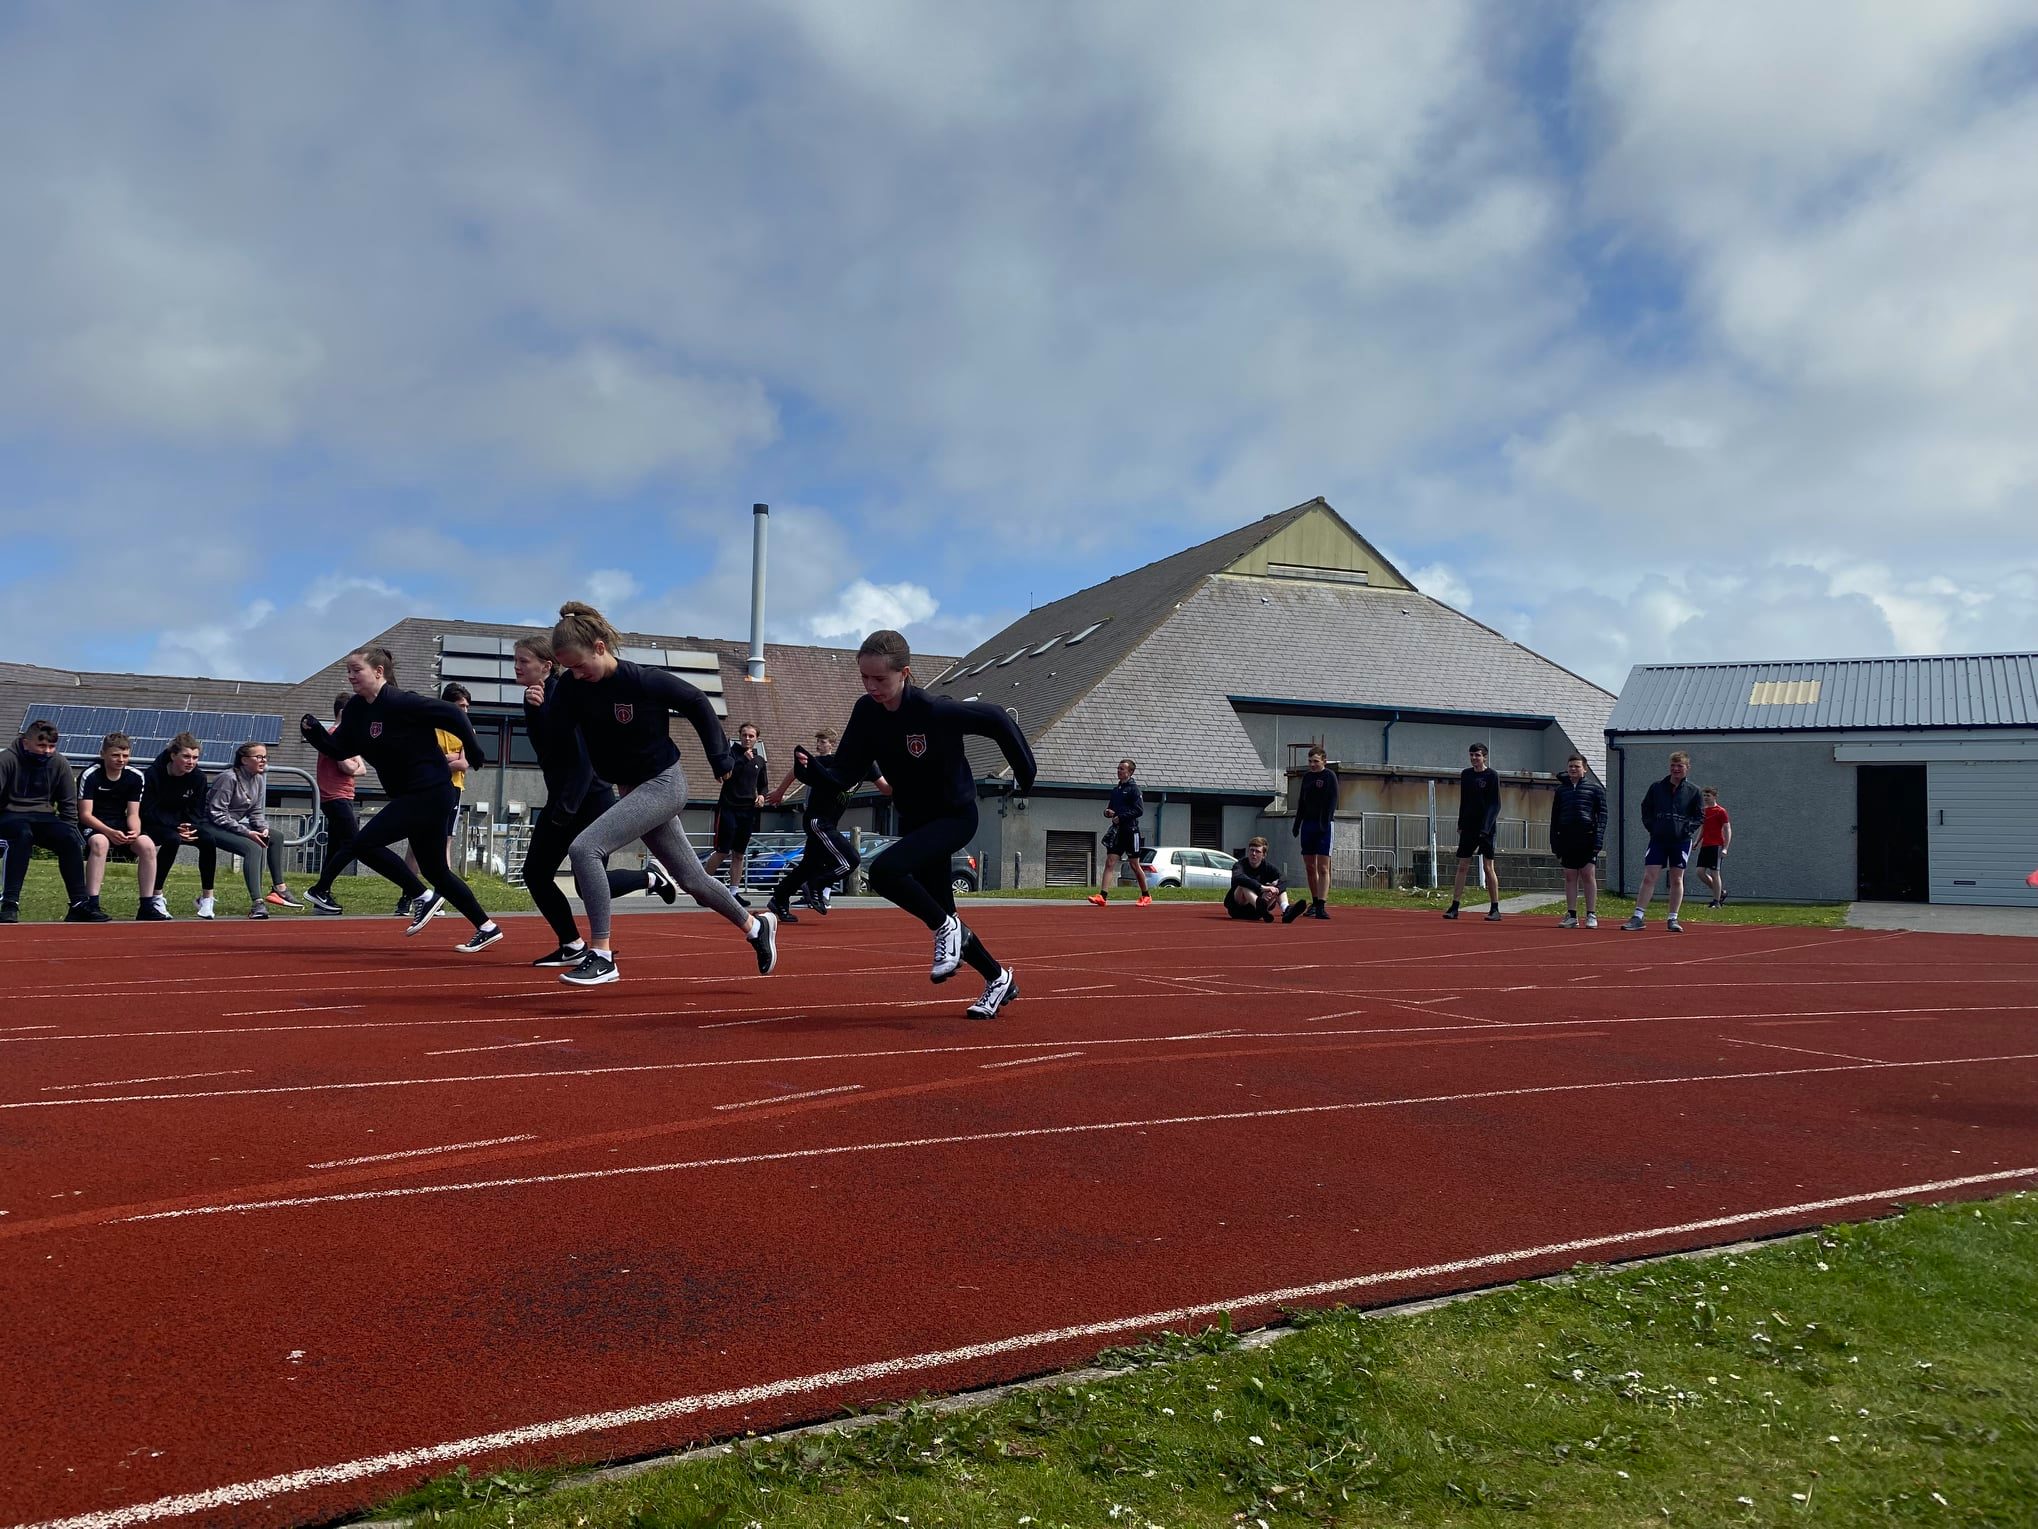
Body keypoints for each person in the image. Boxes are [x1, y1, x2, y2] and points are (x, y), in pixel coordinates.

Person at [805, 629, 1034, 1019]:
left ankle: (947, 930)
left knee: (884, 872)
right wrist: (812, 773)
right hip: (915, 820)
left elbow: (996, 718)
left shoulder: (933, 710)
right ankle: (998, 978)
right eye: (865, 678)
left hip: (955, 816)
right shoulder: (866, 713)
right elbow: (845, 772)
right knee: (943, 911)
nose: (871, 686)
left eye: (880, 679)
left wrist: (1025, 776)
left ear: (905, 673)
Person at [545, 602, 776, 986]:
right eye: (569, 668)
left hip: (664, 783)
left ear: (600, 648)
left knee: (585, 849)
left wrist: (720, 758)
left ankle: (601, 953)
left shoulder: (641, 680)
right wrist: (540, 709)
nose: (577, 674)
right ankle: (757, 926)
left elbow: (698, 702)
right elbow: (558, 737)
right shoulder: (572, 687)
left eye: (581, 664)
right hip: (632, 788)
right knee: (692, 879)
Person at [298, 646, 504, 952]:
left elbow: (451, 714)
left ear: (378, 672)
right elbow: (340, 749)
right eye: (349, 671)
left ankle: (422, 897)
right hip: (411, 794)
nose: (351, 676)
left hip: (431, 791)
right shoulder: (356, 710)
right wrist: (316, 734)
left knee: (363, 844)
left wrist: (473, 749)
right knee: (436, 871)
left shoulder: (400, 701)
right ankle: (487, 926)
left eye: (357, 670)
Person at [513, 632, 677, 970]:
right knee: (538, 873)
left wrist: (565, 807)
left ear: (547, 666)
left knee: (574, 882)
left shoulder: (564, 694)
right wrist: (535, 711)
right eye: (515, 661)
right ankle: (572, 943)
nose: (516, 667)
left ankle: (647, 880)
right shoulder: (536, 698)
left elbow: (581, 757)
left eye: (522, 661)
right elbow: (549, 749)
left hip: (587, 796)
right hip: (565, 795)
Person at [763, 727, 886, 924]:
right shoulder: (835, 761)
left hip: (828, 823)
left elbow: (886, 789)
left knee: (808, 866)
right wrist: (779, 792)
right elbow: (797, 770)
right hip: (817, 821)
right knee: (851, 860)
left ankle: (779, 899)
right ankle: (816, 884)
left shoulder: (870, 767)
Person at [0, 720, 94, 923]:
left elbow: (68, 805)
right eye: (41, 746)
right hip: (9, 816)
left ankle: (79, 903)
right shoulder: (6, 760)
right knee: (22, 835)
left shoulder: (59, 762)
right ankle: (9, 902)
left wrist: (71, 831)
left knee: (69, 838)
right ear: (26, 743)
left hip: (43, 817)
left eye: (51, 746)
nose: (47, 751)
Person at [402, 682, 475, 924]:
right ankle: (407, 895)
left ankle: (442, 895)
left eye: (466, 706)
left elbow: (465, 763)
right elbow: (427, 758)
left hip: (453, 789)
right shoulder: (431, 727)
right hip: (427, 787)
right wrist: (450, 758)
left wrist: (447, 759)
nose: (464, 711)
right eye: (459, 706)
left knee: (445, 841)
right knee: (416, 843)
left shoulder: (466, 730)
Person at [206, 741, 300, 918]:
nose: (263, 760)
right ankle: (257, 903)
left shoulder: (258, 779)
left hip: (231, 823)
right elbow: (216, 813)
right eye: (258, 757)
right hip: (210, 825)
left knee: (276, 836)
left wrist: (262, 828)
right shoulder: (228, 778)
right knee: (253, 848)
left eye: (265, 757)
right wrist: (246, 832)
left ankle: (279, 888)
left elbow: (256, 811)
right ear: (244, 760)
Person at [77, 732, 160, 921]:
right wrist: (109, 832)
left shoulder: (136, 776)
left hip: (119, 822)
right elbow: (85, 814)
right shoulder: (90, 775)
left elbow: (133, 814)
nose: (121, 760)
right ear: (103, 754)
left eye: (125, 756)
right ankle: (92, 903)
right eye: (115, 755)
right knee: (100, 843)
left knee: (147, 845)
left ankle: (147, 905)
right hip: (95, 823)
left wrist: (134, 832)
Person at [138, 732, 219, 919]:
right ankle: (156, 895)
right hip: (154, 824)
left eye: (195, 758)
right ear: (174, 756)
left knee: (208, 839)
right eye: (186, 756)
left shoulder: (198, 778)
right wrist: (176, 828)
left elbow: (197, 810)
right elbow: (147, 810)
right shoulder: (152, 775)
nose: (191, 761)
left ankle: (207, 898)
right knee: (172, 840)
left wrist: (188, 826)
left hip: (182, 824)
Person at [1623, 750, 1705, 933]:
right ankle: (1637, 916)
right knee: (1649, 876)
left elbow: (1699, 816)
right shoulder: (1657, 787)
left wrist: (1685, 829)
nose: (1676, 769)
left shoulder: (1694, 791)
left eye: (1679, 766)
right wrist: (1653, 827)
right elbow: (1646, 808)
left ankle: (1672, 918)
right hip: (1658, 839)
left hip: (1681, 841)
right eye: (1673, 766)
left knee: (1677, 878)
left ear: (1687, 768)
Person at [310, 695, 366, 914]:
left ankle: (321, 897)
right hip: (335, 796)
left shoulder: (346, 738)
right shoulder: (333, 736)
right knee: (354, 843)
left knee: (335, 848)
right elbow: (348, 767)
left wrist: (355, 764)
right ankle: (320, 889)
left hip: (343, 796)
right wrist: (354, 764)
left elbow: (362, 768)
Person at [702, 722, 768, 905]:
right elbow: (726, 777)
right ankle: (702, 890)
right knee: (723, 850)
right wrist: (742, 760)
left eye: (751, 736)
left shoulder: (759, 760)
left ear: (756, 739)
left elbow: (763, 783)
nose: (747, 738)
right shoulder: (730, 755)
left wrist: (762, 795)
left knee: (739, 853)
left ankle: (733, 892)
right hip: (729, 808)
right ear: (739, 735)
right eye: (745, 735)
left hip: (748, 810)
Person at [1444, 743, 1503, 921]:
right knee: (1463, 866)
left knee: (1487, 867)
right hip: (1469, 826)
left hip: (1486, 828)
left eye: (1477, 755)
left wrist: (1486, 827)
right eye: (1471, 755)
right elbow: (1464, 800)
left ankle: (1495, 908)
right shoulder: (1466, 775)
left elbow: (1495, 804)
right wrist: (1461, 822)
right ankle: (1454, 906)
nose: (1474, 758)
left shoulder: (1492, 776)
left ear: (1484, 757)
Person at [1549, 752, 1607, 929]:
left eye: (1577, 766)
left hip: (1587, 837)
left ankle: (1591, 914)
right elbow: (1555, 817)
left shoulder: (1595, 789)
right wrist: (1555, 842)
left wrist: (1598, 839)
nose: (1573, 769)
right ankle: (1572, 914)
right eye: (1571, 766)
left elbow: (1603, 815)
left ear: (1585, 769)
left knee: (1588, 874)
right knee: (1569, 876)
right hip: (1567, 837)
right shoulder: (1561, 790)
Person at [1088, 758, 1153, 906]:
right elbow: (1111, 808)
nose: (1119, 771)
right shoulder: (1116, 790)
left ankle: (1146, 895)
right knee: (1110, 862)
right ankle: (1102, 896)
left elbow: (1139, 810)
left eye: (1122, 769)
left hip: (1131, 831)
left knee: (1134, 865)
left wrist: (1121, 817)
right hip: (1117, 832)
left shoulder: (1134, 789)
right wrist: (1108, 813)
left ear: (1130, 772)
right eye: (1118, 768)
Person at [1290, 746, 1336, 919]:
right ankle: (1315, 902)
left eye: (1316, 761)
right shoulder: (1307, 777)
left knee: (1323, 867)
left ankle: (1322, 905)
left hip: (1323, 826)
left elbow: (1333, 800)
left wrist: (1325, 821)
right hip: (1308, 825)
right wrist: (1297, 823)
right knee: (1310, 866)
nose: (1312, 764)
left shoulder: (1329, 776)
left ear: (1323, 761)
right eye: (1310, 761)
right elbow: (1302, 802)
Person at [1227, 836, 1309, 923]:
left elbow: (1284, 879)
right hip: (1237, 908)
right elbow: (1238, 878)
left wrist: (1272, 890)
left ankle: (1286, 910)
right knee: (1243, 884)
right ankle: (1259, 906)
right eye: (1251, 850)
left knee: (1277, 883)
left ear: (1263, 855)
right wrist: (1262, 888)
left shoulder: (1268, 867)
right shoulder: (1239, 865)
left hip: (1256, 912)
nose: (1253, 854)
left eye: (1257, 851)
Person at [1694, 787, 1733, 907]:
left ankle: (1716, 902)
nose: (1705, 798)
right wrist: (1696, 842)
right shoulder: (1704, 811)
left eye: (1708, 796)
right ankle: (1720, 892)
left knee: (1715, 873)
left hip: (1716, 846)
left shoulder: (1720, 811)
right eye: (1704, 796)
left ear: (1714, 797)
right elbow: (1703, 828)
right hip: (1705, 845)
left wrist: (1726, 847)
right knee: (1700, 872)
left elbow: (1727, 829)